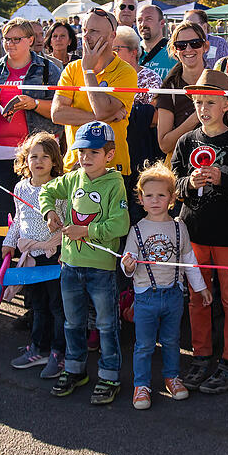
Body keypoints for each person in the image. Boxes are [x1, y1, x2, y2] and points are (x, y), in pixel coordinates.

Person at [172, 71, 228, 394]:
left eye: (210, 102)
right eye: (199, 102)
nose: (203, 108)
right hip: (193, 231)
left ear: (226, 104)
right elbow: (173, 185)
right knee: (197, 297)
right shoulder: (185, 141)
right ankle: (201, 355)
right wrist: (188, 184)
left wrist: (225, 181)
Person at [40, 121, 131, 405]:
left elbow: (121, 223)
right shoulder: (73, 177)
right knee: (73, 323)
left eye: (93, 152)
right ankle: (75, 369)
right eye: (81, 151)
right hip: (69, 264)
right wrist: (49, 213)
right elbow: (47, 192)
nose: (85, 157)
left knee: (106, 325)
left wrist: (87, 231)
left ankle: (109, 375)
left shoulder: (115, 183)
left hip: (101, 269)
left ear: (109, 155)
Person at [0, 19, 63, 267]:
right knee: (1, 210)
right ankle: (0, 263)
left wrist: (32, 103)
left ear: (31, 40)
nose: (10, 44)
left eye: (16, 39)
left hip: (37, 152)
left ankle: (39, 261)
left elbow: (62, 108)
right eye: (6, 39)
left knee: (37, 209)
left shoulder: (48, 69)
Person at [121, 163, 212, 410]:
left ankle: (172, 377)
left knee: (172, 340)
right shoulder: (137, 229)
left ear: (172, 198)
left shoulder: (178, 226)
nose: (155, 200)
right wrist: (127, 264)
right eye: (149, 196)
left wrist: (200, 287)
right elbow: (128, 265)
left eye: (161, 195)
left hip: (173, 295)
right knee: (144, 345)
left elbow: (189, 260)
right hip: (145, 297)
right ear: (140, 198)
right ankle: (142, 384)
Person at [5, 133, 66, 379]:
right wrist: (9, 243)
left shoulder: (59, 188)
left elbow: (68, 221)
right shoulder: (20, 187)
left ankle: (60, 352)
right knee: (38, 304)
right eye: (33, 156)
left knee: (57, 306)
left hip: (54, 254)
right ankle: (39, 348)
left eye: (45, 157)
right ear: (25, 159)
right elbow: (18, 219)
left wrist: (65, 253)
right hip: (31, 256)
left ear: (54, 161)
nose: (38, 161)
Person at [52, 8, 138, 178]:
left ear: (112, 35)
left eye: (93, 31)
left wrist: (88, 71)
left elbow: (101, 110)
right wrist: (102, 119)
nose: (86, 36)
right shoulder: (71, 69)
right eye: (84, 30)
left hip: (112, 169)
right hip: (75, 167)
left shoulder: (126, 72)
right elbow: (57, 114)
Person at [155, 21, 228, 154]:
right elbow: (165, 145)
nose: (188, 49)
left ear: (205, 46)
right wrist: (198, 115)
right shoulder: (169, 88)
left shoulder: (225, 81)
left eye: (195, 43)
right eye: (181, 45)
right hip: (183, 162)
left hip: (221, 159)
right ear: (174, 50)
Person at [113, 26, 162, 183]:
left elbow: (155, 116)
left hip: (141, 149)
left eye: (117, 49)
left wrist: (122, 111)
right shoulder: (108, 76)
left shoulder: (150, 78)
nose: (112, 53)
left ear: (134, 51)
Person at [137, 4, 176, 81]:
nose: (143, 24)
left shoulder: (174, 50)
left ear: (162, 23)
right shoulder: (131, 51)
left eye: (148, 19)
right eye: (139, 20)